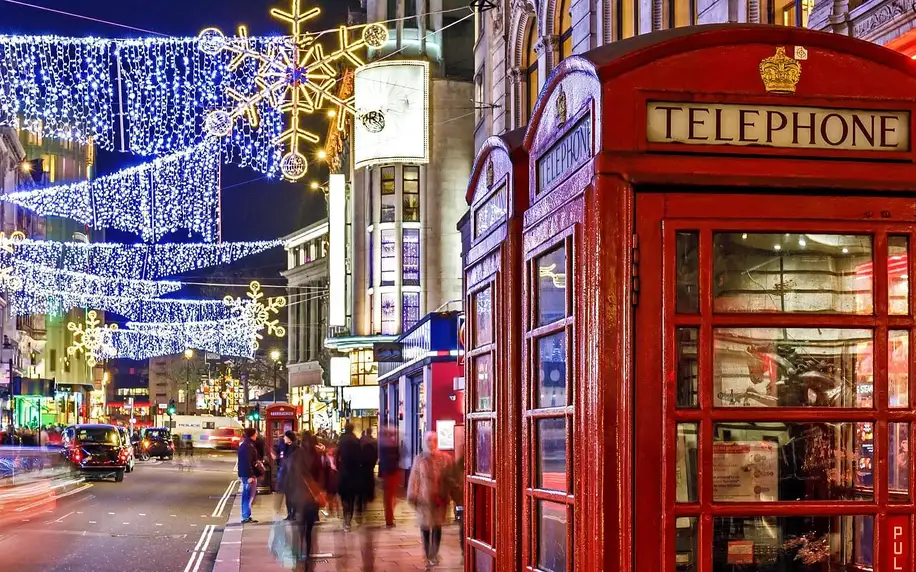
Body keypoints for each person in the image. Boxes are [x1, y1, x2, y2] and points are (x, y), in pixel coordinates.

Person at [407, 431, 452, 567]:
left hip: (439, 499)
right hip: (424, 499)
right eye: (428, 441)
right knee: (426, 527)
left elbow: (450, 479)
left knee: (437, 527)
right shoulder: (419, 459)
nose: (431, 443)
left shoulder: (445, 459)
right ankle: (428, 554)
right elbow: (414, 479)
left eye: (433, 440)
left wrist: (449, 494)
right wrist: (412, 495)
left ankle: (434, 553)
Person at [285, 432, 325, 570]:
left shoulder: (296, 455)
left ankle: (298, 555)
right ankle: (307, 556)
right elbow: (323, 476)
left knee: (299, 528)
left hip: (299, 497)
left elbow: (288, 475)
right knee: (309, 530)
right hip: (312, 498)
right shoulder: (317, 456)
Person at [334, 423, 362, 531]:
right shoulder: (356, 440)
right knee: (352, 497)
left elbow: (337, 455)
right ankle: (349, 520)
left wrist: (337, 467)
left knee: (344, 496)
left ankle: (346, 519)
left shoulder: (342, 440)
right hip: (354, 472)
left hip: (344, 471)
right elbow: (360, 456)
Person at [378, 426, 401, 527]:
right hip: (393, 472)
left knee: (388, 497)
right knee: (391, 496)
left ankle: (389, 518)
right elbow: (398, 457)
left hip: (386, 472)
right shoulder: (393, 444)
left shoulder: (382, 444)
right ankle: (390, 518)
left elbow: (381, 460)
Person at [273, 430, 298, 521]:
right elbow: (281, 455)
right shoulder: (286, 446)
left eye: (285, 437)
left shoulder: (296, 448)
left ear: (289, 438)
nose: (283, 438)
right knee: (288, 497)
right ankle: (289, 514)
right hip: (286, 476)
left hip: (293, 476)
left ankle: (293, 514)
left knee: (293, 497)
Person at [237, 427, 260, 524]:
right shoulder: (247, 446)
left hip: (246, 474)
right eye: (256, 433)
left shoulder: (246, 444)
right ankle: (245, 516)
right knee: (247, 495)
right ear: (252, 434)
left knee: (248, 495)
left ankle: (247, 515)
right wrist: (250, 475)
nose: (257, 435)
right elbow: (247, 462)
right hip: (248, 475)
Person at [358, 427, 378, 517]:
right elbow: (376, 455)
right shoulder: (374, 442)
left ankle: (361, 500)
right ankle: (369, 496)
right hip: (369, 466)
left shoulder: (360, 441)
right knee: (370, 481)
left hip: (362, 466)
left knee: (361, 482)